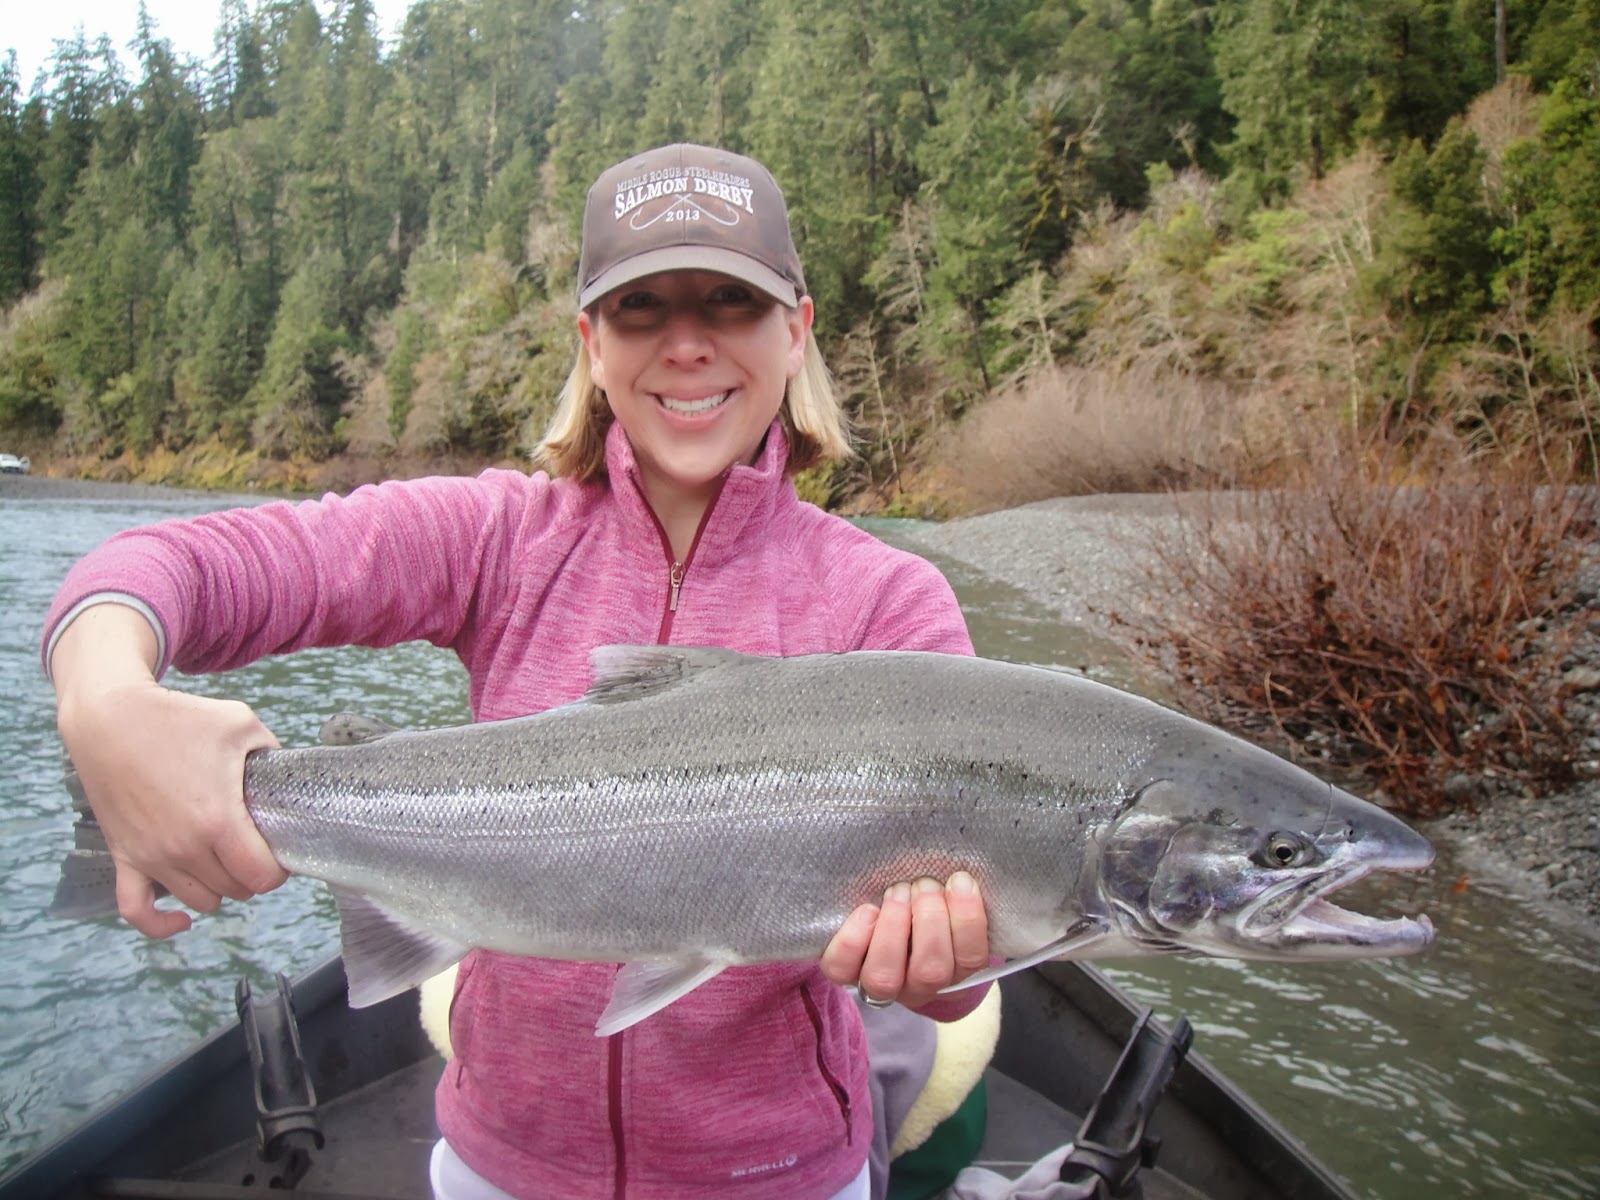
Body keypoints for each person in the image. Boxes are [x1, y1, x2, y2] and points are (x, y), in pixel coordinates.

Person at [42, 142, 992, 1200]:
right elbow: (166, 568)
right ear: (591, 344)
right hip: (502, 1164)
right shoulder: (501, 539)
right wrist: (104, 698)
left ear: (796, 330)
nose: (687, 344)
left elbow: (958, 985)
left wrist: (945, 972)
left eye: (731, 301)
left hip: (783, 1175)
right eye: (640, 308)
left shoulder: (887, 602)